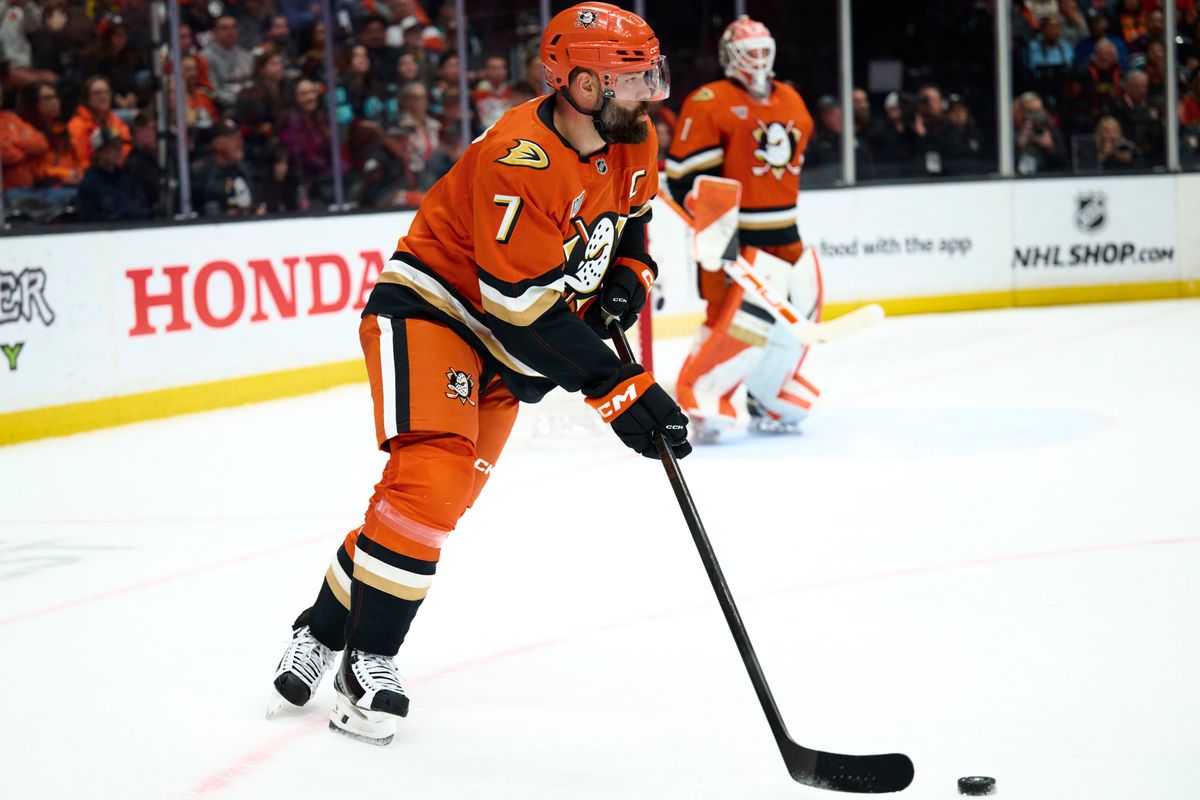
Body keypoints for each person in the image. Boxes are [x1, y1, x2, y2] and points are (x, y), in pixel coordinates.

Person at [267, 2, 689, 746]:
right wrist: (619, 389)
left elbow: (630, 223)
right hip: (437, 313)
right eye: (631, 78)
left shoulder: (636, 137)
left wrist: (629, 272)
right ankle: (368, 663)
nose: (648, 92)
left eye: (648, 74)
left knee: (434, 508)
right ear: (582, 84)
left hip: (508, 345)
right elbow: (520, 306)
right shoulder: (517, 155)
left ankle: (321, 629)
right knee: (429, 480)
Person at [665, 15, 819, 437]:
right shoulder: (708, 99)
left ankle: (768, 393)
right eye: (748, 50)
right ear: (729, 54)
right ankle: (701, 396)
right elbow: (686, 178)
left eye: (763, 50)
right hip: (733, 234)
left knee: (795, 314)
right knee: (730, 319)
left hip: (785, 230)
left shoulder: (790, 97)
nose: (757, 58)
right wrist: (711, 227)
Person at [75, 125, 150, 221]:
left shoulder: (127, 177)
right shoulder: (89, 185)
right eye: (113, 147)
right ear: (100, 152)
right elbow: (91, 220)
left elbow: (142, 206)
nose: (119, 151)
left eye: (120, 146)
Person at [67, 75, 132, 166]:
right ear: (86, 98)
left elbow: (127, 146)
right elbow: (82, 160)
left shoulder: (115, 120)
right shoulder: (77, 125)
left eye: (106, 92)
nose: (103, 97)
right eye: (97, 93)